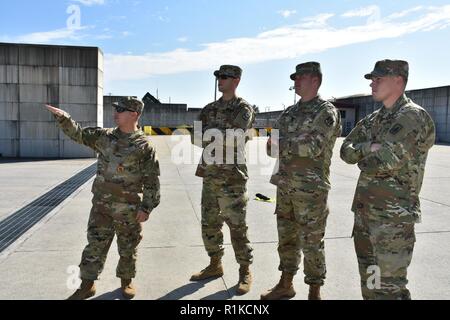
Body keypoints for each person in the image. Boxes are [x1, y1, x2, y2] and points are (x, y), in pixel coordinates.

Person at [45, 97, 160, 300]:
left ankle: (126, 281)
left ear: (134, 114)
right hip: (101, 207)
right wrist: (64, 118)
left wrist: (147, 207)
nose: (115, 113)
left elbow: (152, 179)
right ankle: (87, 285)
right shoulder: (104, 136)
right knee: (94, 246)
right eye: (115, 109)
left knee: (128, 247)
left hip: (129, 209)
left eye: (121, 110)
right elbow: (79, 134)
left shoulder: (144, 146)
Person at [340, 59, 435, 299]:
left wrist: (365, 156)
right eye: (372, 79)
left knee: (390, 289)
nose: (372, 83)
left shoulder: (412, 117)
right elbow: (345, 151)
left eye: (378, 79)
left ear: (398, 80)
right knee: (371, 284)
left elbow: (386, 161)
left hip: (392, 222)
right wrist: (369, 147)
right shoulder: (373, 119)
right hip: (364, 217)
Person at [261, 62, 341, 300]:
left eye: (301, 77)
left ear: (315, 80)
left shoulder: (326, 112)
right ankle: (285, 284)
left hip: (311, 190)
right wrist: (284, 143)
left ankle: (315, 291)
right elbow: (270, 147)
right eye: (295, 78)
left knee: (312, 242)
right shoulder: (289, 113)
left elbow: (313, 146)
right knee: (286, 239)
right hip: (285, 187)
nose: (295, 81)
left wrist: (284, 143)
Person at [190, 65, 255, 295]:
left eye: (224, 77)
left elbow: (236, 137)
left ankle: (245, 270)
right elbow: (195, 137)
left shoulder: (243, 108)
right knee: (209, 224)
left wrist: (213, 134)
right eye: (218, 76)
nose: (220, 80)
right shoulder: (209, 109)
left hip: (232, 178)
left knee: (237, 226)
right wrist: (218, 134)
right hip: (210, 176)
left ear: (236, 80)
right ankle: (215, 264)